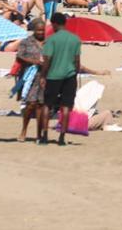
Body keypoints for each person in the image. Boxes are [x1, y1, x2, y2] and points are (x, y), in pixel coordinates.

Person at [39, 12, 82, 146]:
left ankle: (45, 136)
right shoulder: (75, 39)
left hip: (53, 76)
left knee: (47, 105)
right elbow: (77, 61)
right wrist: (75, 74)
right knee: (66, 107)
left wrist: (43, 75)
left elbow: (47, 60)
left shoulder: (51, 40)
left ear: (55, 24)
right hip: (69, 75)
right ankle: (62, 138)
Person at [14, 18, 46, 142]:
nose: (41, 33)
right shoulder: (26, 42)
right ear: (34, 30)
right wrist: (34, 62)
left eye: (43, 30)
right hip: (29, 76)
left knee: (40, 106)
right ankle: (24, 130)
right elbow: (19, 57)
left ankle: (39, 134)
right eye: (38, 30)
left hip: (43, 77)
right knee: (30, 104)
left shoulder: (48, 42)